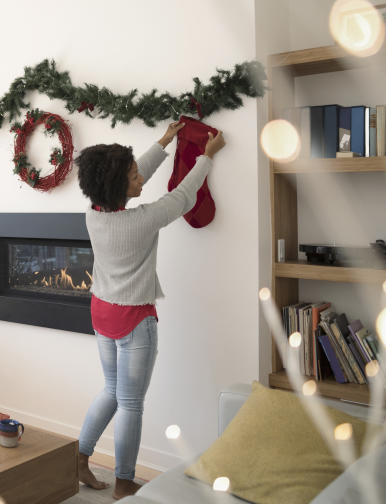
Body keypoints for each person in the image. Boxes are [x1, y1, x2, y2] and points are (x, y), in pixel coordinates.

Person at [73, 120, 225, 498]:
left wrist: (164, 142)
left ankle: (78, 459)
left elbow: (127, 176)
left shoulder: (94, 214)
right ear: (119, 185)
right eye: (134, 176)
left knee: (111, 391)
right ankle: (124, 482)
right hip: (133, 320)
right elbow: (183, 196)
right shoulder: (142, 220)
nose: (141, 179)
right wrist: (206, 157)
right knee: (130, 404)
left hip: (102, 314)